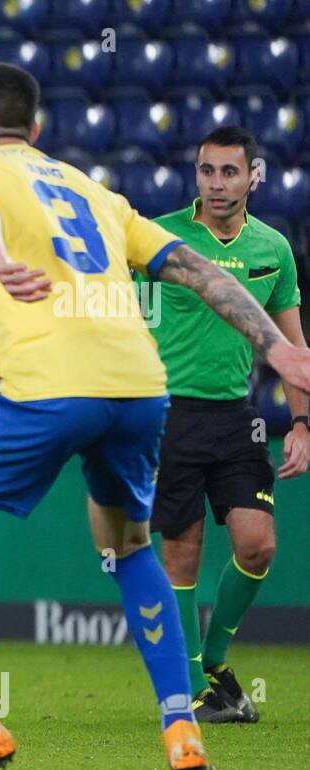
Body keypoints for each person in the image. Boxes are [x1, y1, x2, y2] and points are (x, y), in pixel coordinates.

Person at [0, 64, 310, 770]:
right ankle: (182, 730)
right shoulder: (94, 192)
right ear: (39, 130)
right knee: (130, 546)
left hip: (50, 384)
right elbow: (197, 270)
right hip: (142, 390)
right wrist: (277, 346)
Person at [144, 126, 305, 723]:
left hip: (239, 417)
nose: (217, 184)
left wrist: (303, 421)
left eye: (229, 172)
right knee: (181, 555)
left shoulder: (274, 249)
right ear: (197, 174)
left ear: (253, 177)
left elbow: (293, 343)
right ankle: (188, 694)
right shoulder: (160, 238)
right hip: (169, 414)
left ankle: (214, 660)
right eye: (207, 171)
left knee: (257, 545)